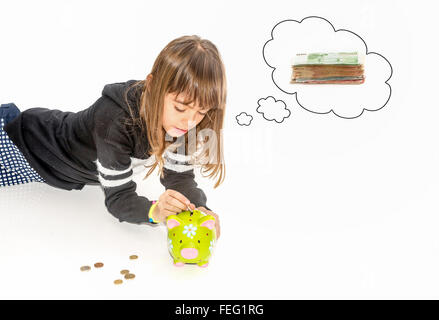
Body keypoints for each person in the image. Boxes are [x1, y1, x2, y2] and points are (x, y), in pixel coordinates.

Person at [0, 35, 226, 239]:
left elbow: (179, 177)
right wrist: (155, 211)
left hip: (52, 170)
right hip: (20, 144)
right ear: (153, 85)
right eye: (180, 108)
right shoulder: (114, 122)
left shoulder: (182, 123)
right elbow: (118, 198)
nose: (191, 121)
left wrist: (200, 208)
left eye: (202, 112)